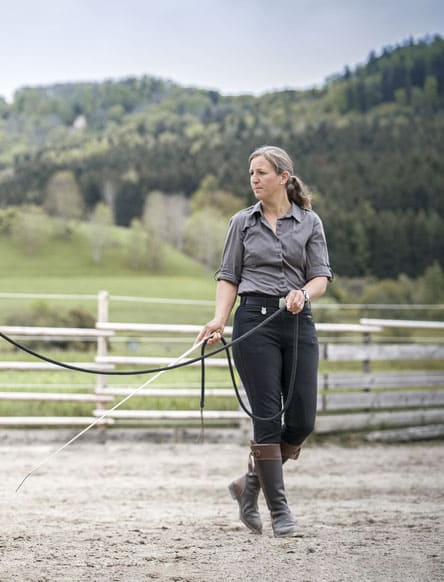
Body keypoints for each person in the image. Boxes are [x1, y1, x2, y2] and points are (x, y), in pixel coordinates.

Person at [196, 145, 332, 537]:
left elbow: (321, 276)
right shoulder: (241, 223)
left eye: (261, 173)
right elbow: (228, 276)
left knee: (302, 419)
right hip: (254, 323)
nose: (254, 179)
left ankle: (248, 484)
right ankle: (281, 512)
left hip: (298, 321)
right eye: (251, 173)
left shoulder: (310, 222)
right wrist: (219, 319)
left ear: (283, 177)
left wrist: (303, 294)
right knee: (267, 419)